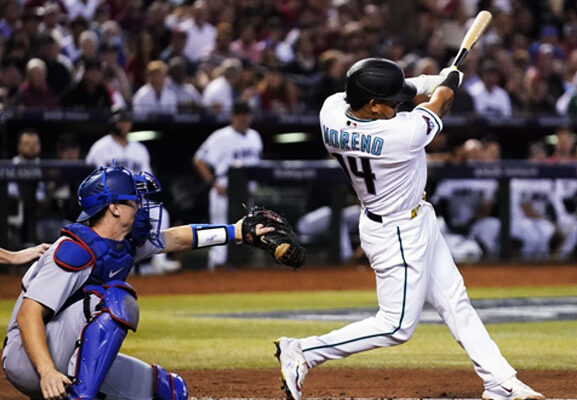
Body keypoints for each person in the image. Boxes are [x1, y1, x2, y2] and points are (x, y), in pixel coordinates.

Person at [274, 58, 543, 400]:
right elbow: (442, 101)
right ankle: (304, 351)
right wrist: (449, 80)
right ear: (373, 105)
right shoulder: (401, 134)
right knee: (396, 326)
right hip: (397, 231)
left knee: (454, 301)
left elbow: (407, 89)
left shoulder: (331, 110)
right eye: (391, 102)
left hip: (409, 218)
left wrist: (436, 78)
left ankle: (499, 381)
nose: (398, 106)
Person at [1, 165, 274, 400]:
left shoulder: (124, 243)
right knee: (117, 299)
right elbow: (28, 314)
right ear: (114, 208)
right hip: (28, 357)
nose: (142, 207)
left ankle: (80, 388)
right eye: (134, 200)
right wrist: (46, 371)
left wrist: (235, 231)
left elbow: (177, 238)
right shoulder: (75, 250)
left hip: (66, 351)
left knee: (170, 390)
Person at [86, 108, 181, 274]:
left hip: (135, 200)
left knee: (161, 214)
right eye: (120, 121)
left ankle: (159, 262)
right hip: (109, 203)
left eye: (126, 121)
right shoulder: (100, 148)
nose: (124, 125)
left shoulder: (139, 149)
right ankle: (114, 264)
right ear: (112, 123)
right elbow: (92, 180)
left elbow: (146, 177)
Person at [194, 101, 263, 269]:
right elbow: (199, 160)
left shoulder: (255, 137)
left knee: (243, 234)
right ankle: (216, 268)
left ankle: (236, 272)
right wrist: (214, 184)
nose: (243, 118)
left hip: (246, 194)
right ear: (233, 116)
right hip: (224, 191)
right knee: (219, 232)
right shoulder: (221, 136)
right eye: (239, 114)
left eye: (245, 114)